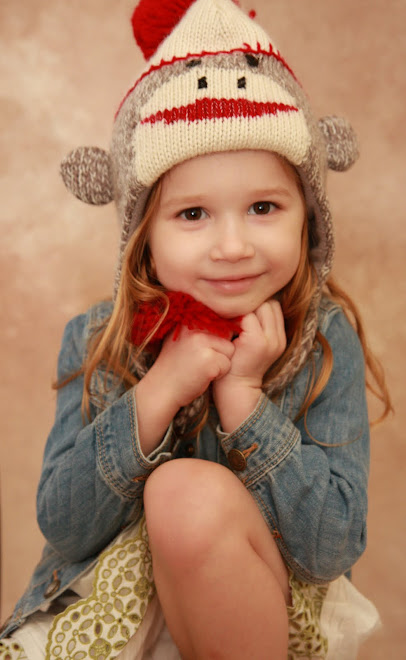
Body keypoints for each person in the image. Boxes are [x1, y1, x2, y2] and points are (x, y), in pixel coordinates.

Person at [0, 0, 392, 658]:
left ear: (309, 219)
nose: (233, 245)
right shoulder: (100, 338)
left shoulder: (322, 341)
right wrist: (161, 391)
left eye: (264, 206)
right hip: (123, 628)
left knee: (187, 494)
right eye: (193, 215)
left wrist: (244, 400)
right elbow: (65, 528)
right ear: (142, 234)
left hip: (262, 617)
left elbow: (331, 546)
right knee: (173, 491)